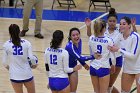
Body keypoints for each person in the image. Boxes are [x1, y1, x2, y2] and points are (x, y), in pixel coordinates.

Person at [85, 8, 137, 93]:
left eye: (114, 21)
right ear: (107, 22)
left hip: (116, 59)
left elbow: (134, 34)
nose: (112, 23)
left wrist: (133, 26)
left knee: (109, 86)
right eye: (110, 21)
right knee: (106, 87)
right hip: (105, 60)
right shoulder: (103, 30)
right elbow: (91, 36)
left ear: (116, 21)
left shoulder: (120, 30)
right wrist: (88, 27)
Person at [2, 24, 37, 93]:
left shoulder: (6, 45)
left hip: (14, 76)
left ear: (9, 33)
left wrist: (11, 68)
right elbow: (31, 58)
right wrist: (34, 65)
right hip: (27, 74)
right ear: (19, 32)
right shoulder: (27, 43)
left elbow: (4, 63)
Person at [109, 16, 140, 93]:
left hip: (138, 68)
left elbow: (133, 56)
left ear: (129, 25)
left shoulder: (135, 37)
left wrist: (118, 50)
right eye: (120, 24)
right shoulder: (119, 36)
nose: (121, 25)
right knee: (124, 92)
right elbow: (111, 46)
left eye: (124, 24)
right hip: (127, 68)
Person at [65, 27, 101, 93]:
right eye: (73, 35)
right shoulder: (69, 47)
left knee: (73, 91)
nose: (76, 36)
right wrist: (93, 56)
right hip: (64, 70)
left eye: (77, 34)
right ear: (70, 37)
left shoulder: (80, 41)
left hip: (74, 68)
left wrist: (84, 64)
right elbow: (80, 57)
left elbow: (78, 56)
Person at [88, 19, 115, 93]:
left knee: (96, 91)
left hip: (93, 67)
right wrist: (113, 64)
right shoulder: (109, 40)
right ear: (103, 28)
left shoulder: (91, 38)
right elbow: (112, 55)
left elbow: (91, 54)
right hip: (103, 67)